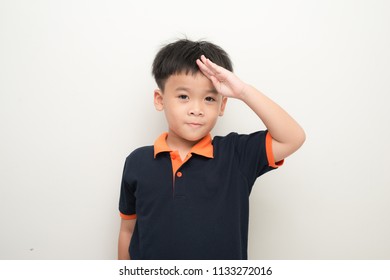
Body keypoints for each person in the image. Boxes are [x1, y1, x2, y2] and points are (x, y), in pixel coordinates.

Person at [117, 39, 305, 260]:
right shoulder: (137, 162)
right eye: (183, 96)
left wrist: (243, 91)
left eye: (209, 99)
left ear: (222, 105)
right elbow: (128, 230)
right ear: (160, 100)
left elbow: (292, 138)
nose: (196, 109)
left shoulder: (236, 155)